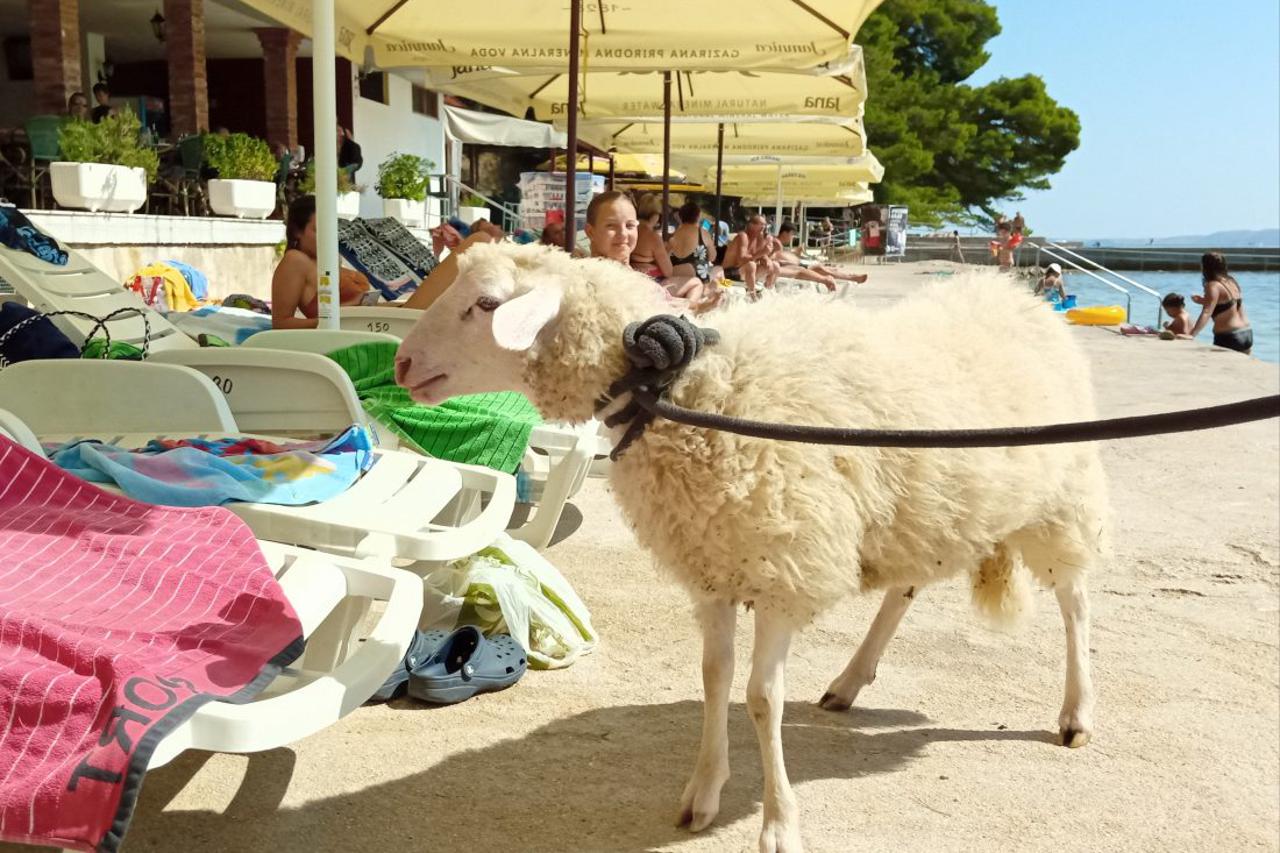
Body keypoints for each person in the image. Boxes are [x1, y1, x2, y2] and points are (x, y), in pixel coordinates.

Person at [270, 195, 372, 329]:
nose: (328, 237)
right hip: (347, 334)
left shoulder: (330, 259)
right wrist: (343, 317)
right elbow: (281, 324)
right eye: (319, 230)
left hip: (368, 325)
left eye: (331, 230)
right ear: (297, 231)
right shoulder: (296, 261)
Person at [1188, 251, 1252, 354]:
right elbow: (1230, 305)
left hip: (1229, 336)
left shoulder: (1213, 285)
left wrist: (1191, 334)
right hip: (1247, 333)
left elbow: (1207, 312)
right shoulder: (1231, 281)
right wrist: (1203, 301)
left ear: (1205, 267)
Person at [771, 223, 867, 289]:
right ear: (784, 233)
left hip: (795, 266)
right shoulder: (775, 243)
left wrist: (795, 254)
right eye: (792, 234)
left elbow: (781, 257)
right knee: (821, 268)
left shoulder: (777, 243)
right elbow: (776, 259)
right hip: (793, 268)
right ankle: (851, 277)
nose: (792, 238)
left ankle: (851, 276)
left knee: (827, 268)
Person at [666, 202, 722, 309]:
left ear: (681, 216)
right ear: (698, 216)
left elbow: (666, 257)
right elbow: (712, 257)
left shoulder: (674, 235)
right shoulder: (702, 233)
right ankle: (725, 291)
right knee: (720, 271)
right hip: (699, 276)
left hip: (677, 276)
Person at [720, 214, 779, 300]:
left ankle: (768, 291)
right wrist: (762, 253)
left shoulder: (758, 238)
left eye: (765, 225)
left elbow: (758, 256)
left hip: (741, 273)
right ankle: (753, 297)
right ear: (751, 225)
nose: (764, 227)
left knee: (774, 265)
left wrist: (766, 258)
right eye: (761, 224)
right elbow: (741, 260)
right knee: (751, 265)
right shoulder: (743, 236)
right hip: (727, 275)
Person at [629, 193, 674, 279]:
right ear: (655, 216)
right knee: (694, 280)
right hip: (649, 280)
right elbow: (668, 272)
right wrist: (668, 250)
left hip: (631, 273)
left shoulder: (630, 230)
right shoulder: (653, 237)